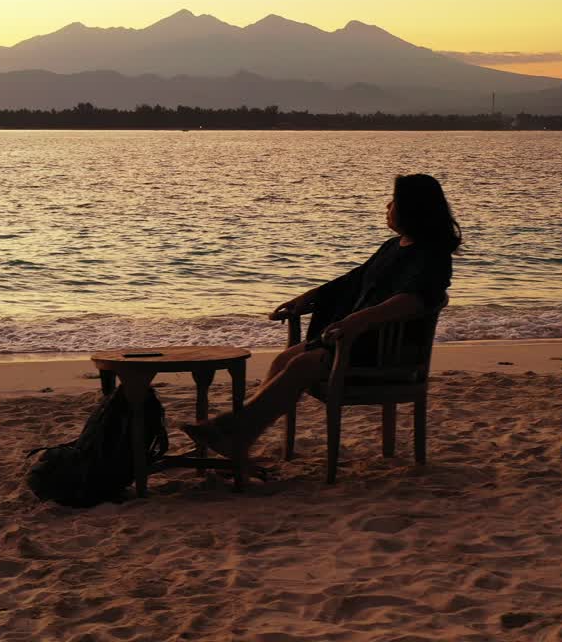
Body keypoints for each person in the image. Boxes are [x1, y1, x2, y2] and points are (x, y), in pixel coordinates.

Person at [182, 173, 460, 461]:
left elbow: (414, 299)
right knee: (283, 359)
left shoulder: (432, 254)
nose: (387, 206)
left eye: (394, 202)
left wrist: (359, 320)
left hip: (385, 350)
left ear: (412, 208)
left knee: (301, 365)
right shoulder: (393, 246)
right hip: (355, 340)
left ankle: (235, 432)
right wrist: (308, 298)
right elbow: (352, 281)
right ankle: (241, 433)